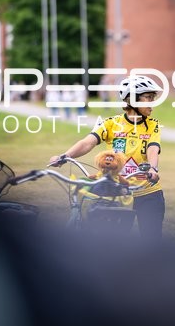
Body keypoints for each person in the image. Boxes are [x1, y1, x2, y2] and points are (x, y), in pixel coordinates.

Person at [49, 75, 164, 240]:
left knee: (153, 242)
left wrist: (153, 168)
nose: (152, 102)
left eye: (153, 98)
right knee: (112, 242)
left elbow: (153, 149)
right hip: (117, 193)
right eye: (148, 97)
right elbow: (87, 143)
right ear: (131, 99)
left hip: (148, 193)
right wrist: (65, 156)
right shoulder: (110, 123)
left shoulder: (153, 125)